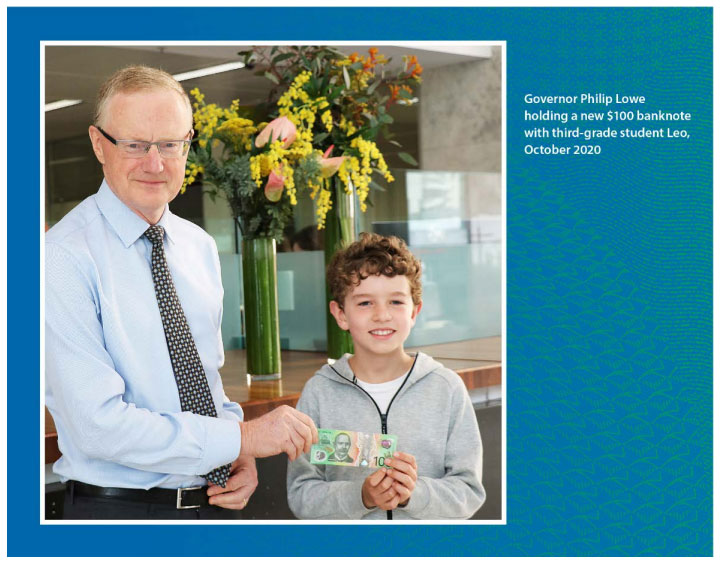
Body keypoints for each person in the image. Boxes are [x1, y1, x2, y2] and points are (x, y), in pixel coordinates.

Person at [45, 65, 317, 520]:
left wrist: (236, 453)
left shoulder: (199, 247)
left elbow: (205, 385)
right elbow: (97, 427)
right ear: (98, 144)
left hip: (213, 508)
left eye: (171, 145)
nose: (155, 164)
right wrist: (244, 438)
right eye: (134, 145)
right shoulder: (60, 258)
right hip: (118, 520)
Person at [287, 232, 485, 519]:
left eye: (396, 302)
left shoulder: (447, 389)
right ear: (341, 314)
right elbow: (302, 494)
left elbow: (468, 492)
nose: (382, 315)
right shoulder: (319, 393)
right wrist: (361, 496)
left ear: (415, 311)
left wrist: (412, 495)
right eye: (365, 303)